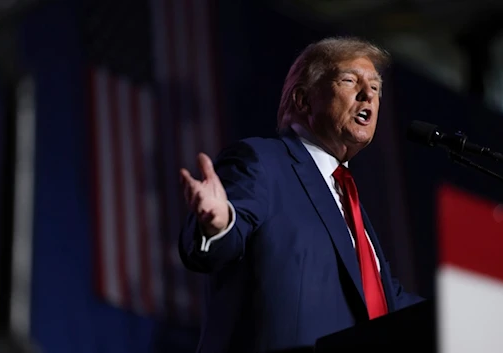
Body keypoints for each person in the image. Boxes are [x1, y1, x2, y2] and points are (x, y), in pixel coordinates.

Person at [179, 36, 424, 353]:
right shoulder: (263, 162)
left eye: (375, 88)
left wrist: (464, 320)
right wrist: (219, 223)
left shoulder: (348, 201)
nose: (369, 95)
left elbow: (385, 299)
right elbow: (218, 242)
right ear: (303, 100)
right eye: (350, 81)